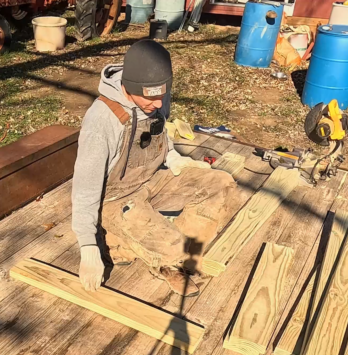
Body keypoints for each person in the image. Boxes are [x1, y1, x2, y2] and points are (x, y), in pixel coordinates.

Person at [71, 40, 243, 296]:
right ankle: (147, 253)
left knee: (221, 184)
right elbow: (85, 190)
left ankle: (159, 248)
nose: (157, 104)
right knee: (179, 249)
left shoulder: (155, 95)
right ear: (128, 88)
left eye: (161, 96)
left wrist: (174, 158)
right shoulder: (101, 121)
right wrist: (87, 246)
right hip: (116, 199)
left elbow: (158, 133)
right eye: (149, 98)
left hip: (153, 181)